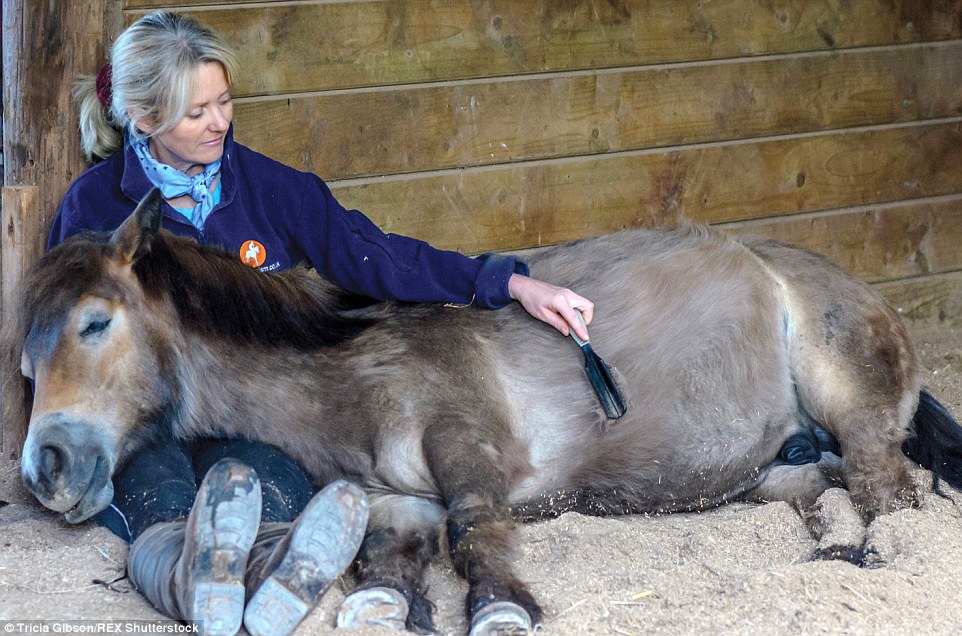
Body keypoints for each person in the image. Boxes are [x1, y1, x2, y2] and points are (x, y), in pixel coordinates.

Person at [52, 10, 594, 636]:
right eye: (196, 112)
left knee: (273, 484)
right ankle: (187, 577)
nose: (219, 123)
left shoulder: (269, 188)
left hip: (251, 421)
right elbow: (65, 333)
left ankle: (268, 575)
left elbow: (376, 256)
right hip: (150, 421)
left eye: (224, 101)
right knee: (161, 497)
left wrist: (506, 281)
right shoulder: (94, 206)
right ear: (144, 119)